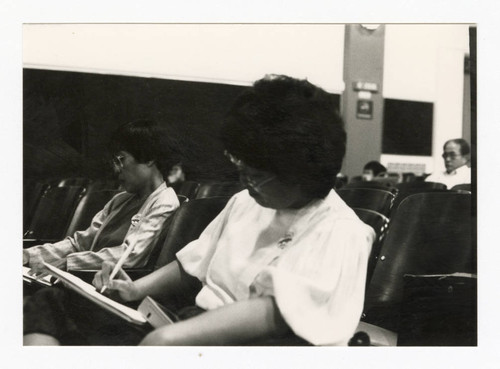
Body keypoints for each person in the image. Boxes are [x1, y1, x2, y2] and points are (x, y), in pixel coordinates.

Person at [24, 75, 375, 346]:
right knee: (51, 303)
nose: (246, 182)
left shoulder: (341, 231)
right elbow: (192, 265)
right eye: (240, 168)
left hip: (249, 344)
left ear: (300, 169)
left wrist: (172, 338)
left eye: (255, 174)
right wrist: (134, 290)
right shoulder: (245, 202)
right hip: (189, 320)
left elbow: (276, 313)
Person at [23, 119, 181, 274]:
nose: (116, 169)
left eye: (121, 159)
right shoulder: (120, 200)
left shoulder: (164, 202)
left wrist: (70, 263)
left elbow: (131, 256)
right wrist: (28, 255)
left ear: (149, 158)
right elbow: (80, 244)